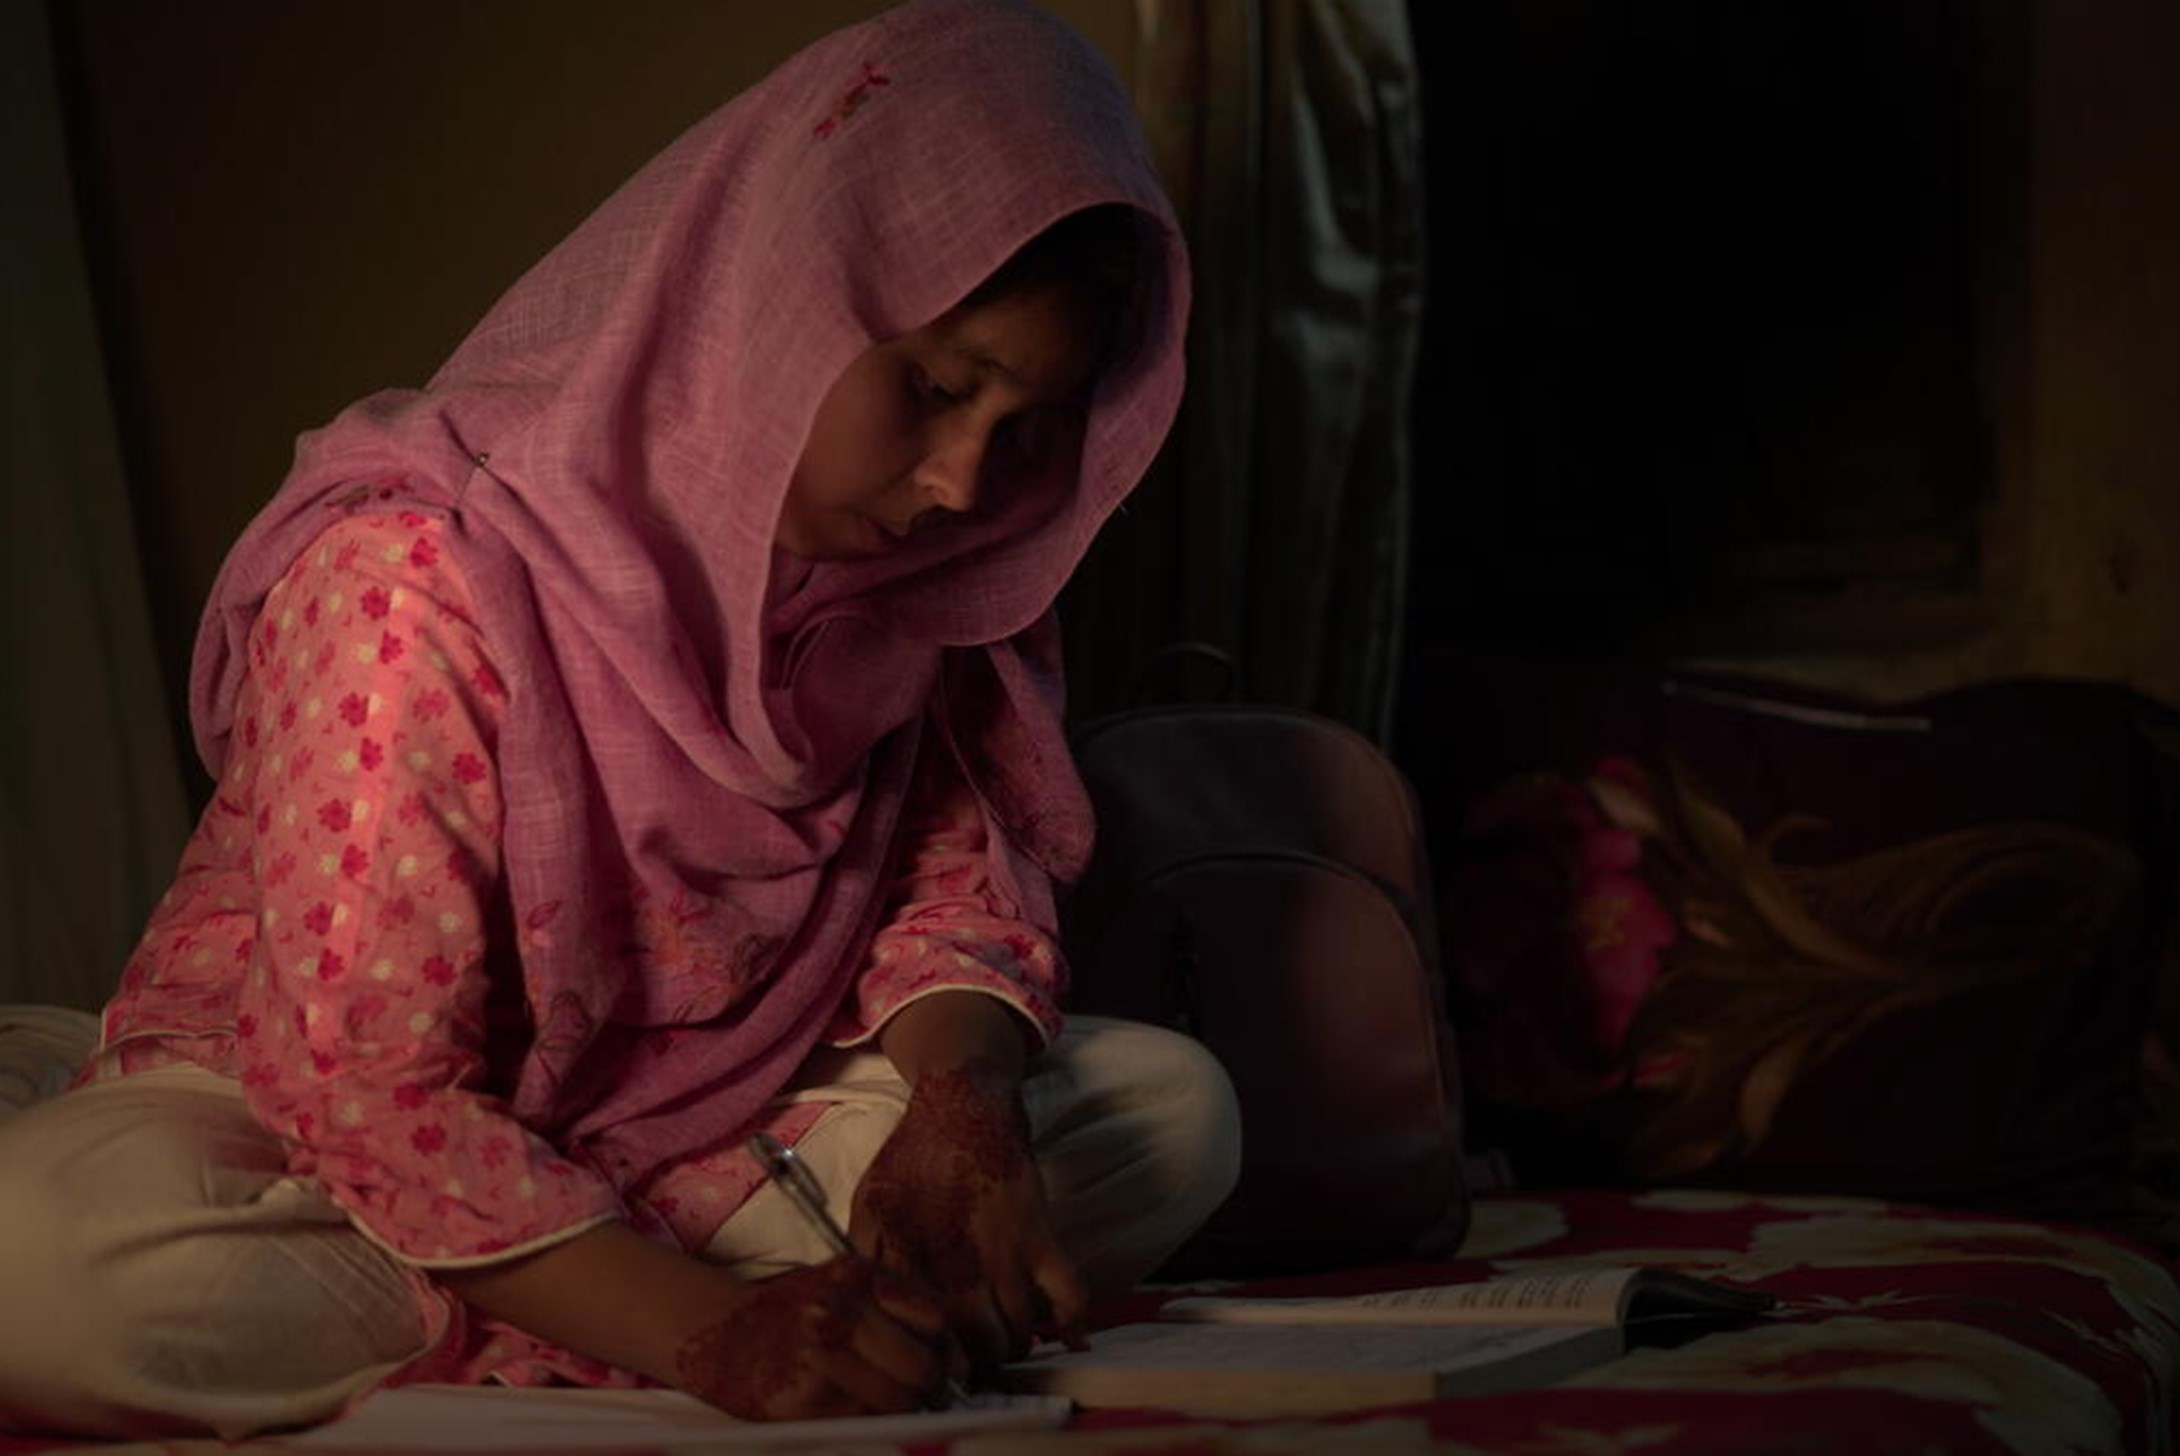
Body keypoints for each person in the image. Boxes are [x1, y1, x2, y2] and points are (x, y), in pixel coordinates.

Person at [0, 0, 1240, 1437]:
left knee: (1173, 1111)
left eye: (1025, 426)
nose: (964, 480)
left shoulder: (935, 573)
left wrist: (965, 1115)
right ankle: (643, 1294)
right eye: (937, 387)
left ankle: (593, 1283)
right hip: (298, 1122)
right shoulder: (422, 572)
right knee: (41, 1269)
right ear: (783, 300)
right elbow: (357, 1087)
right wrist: (710, 1333)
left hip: (711, 1107)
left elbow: (951, 894)